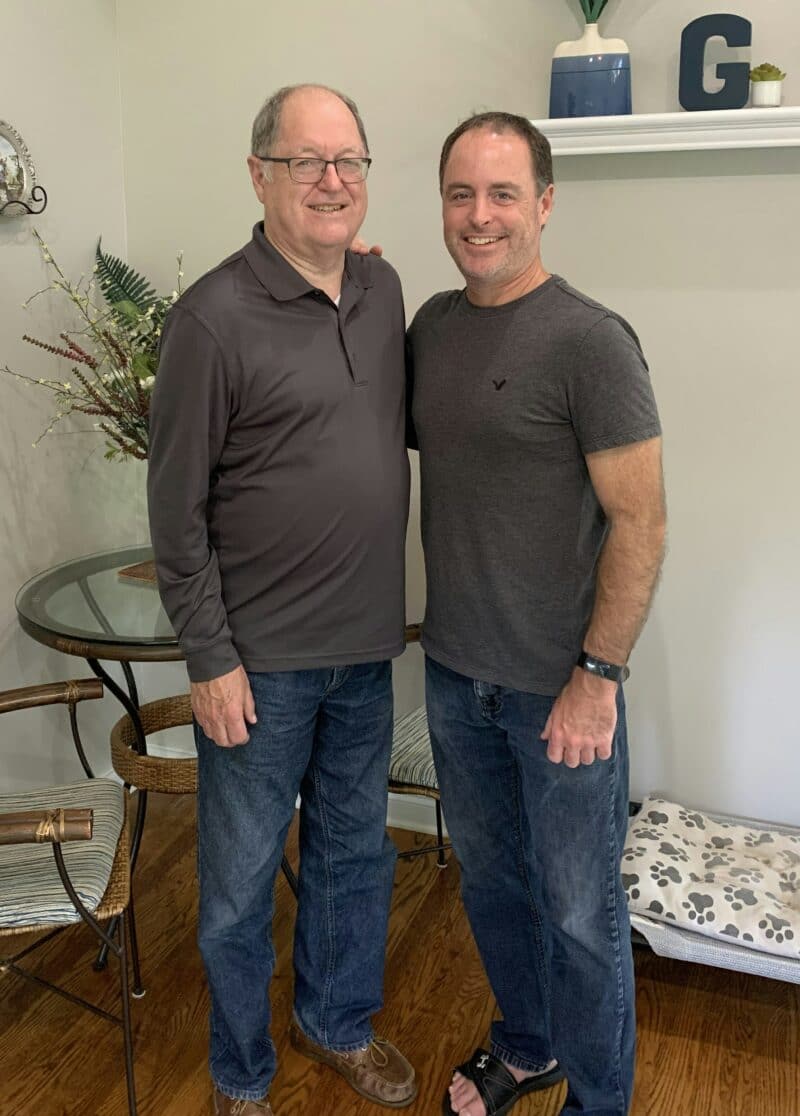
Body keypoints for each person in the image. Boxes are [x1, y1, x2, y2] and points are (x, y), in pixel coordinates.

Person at [147, 84, 415, 1116]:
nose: (331, 180)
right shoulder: (210, 319)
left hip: (363, 651)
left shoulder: (381, 292)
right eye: (305, 162)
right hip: (256, 670)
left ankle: (337, 1023)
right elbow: (175, 512)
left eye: (347, 160)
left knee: (353, 860)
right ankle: (239, 1074)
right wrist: (208, 658)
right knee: (235, 891)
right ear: (258, 175)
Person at [406, 112, 666, 1116]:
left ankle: (600, 1102)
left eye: (502, 193)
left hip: (558, 693)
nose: (479, 216)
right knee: (493, 888)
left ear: (544, 204)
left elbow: (639, 525)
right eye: (460, 195)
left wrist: (595, 681)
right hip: (453, 677)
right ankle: (525, 1048)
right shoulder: (429, 325)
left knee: (581, 914)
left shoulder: (589, 342)